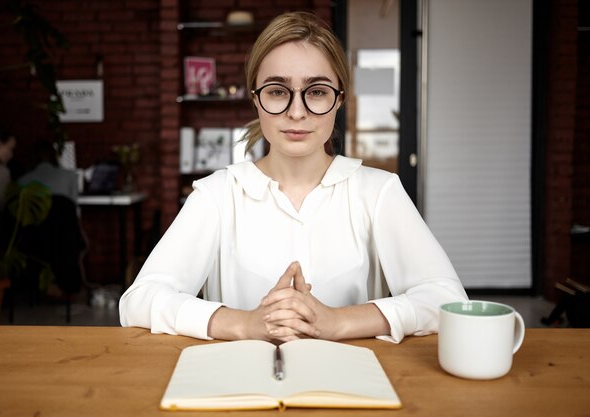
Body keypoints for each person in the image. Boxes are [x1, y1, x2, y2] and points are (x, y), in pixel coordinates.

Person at [119, 11, 467, 343]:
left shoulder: (378, 191)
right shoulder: (217, 194)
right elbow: (139, 301)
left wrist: (337, 321)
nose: (297, 112)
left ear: (339, 99)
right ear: (256, 99)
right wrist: (244, 324)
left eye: (316, 91)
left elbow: (447, 300)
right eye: (277, 91)